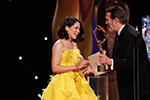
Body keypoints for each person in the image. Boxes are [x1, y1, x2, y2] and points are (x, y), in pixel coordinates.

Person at [99, 6, 150, 100]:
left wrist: (110, 62)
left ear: (116, 20)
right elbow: (117, 60)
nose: (106, 23)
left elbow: (131, 63)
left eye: (107, 20)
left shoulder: (132, 36)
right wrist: (99, 67)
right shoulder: (120, 35)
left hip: (136, 92)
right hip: (127, 89)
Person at [41, 16, 97, 100]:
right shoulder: (59, 44)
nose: (78, 31)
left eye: (79, 29)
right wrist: (75, 67)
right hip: (64, 83)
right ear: (67, 28)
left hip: (78, 82)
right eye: (76, 28)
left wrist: (87, 65)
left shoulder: (75, 45)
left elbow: (76, 63)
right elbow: (55, 67)